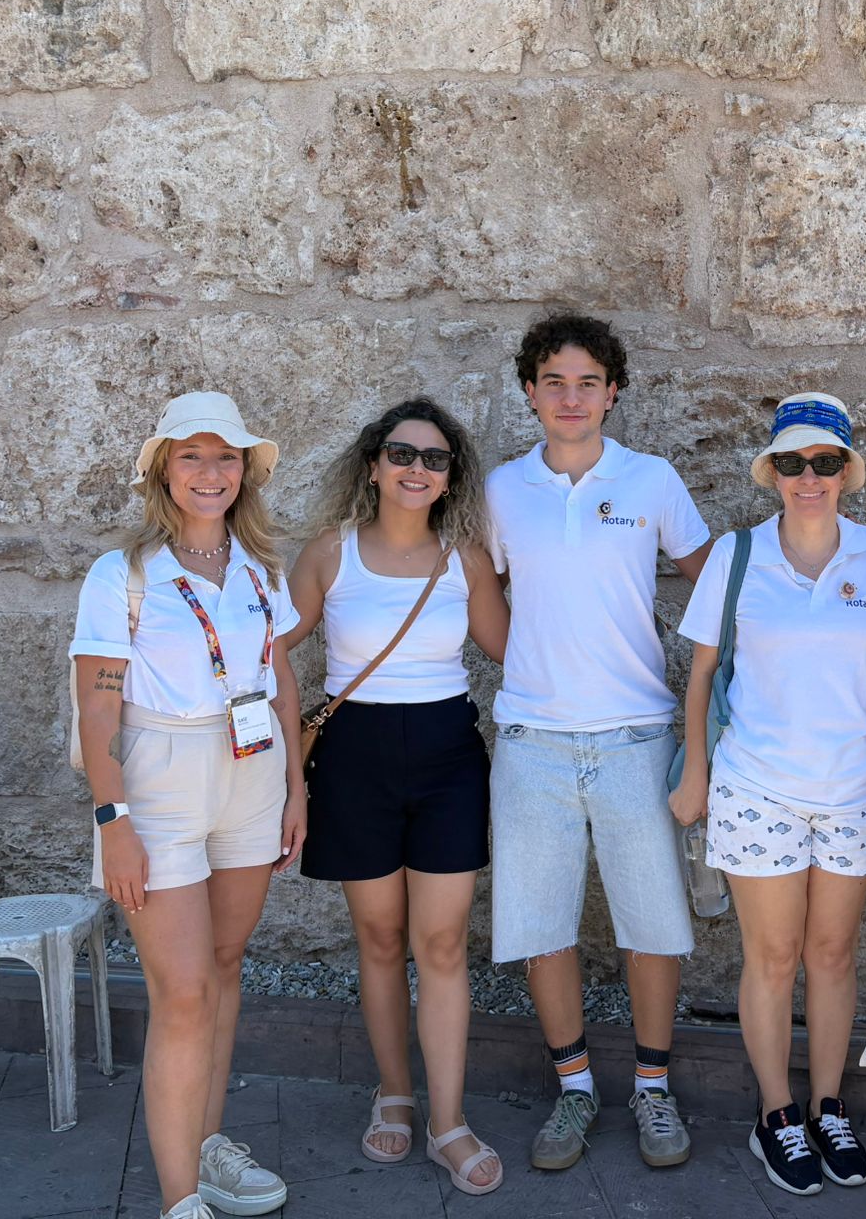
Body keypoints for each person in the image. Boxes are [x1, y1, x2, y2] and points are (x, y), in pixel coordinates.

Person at [484, 313, 713, 1173]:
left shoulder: (651, 480)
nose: (571, 397)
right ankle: (574, 1088)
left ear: (613, 393)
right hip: (532, 740)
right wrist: (530, 661)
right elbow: (484, 591)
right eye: (554, 382)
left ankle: (652, 1088)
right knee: (541, 924)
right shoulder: (502, 490)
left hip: (635, 737)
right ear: (530, 392)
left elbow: (713, 584)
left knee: (652, 923)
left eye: (588, 382)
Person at [69, 392, 304, 1219]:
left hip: (252, 772)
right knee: (182, 991)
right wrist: (113, 822)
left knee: (225, 968)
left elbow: (280, 681)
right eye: (192, 456)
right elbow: (98, 705)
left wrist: (296, 788)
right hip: (160, 777)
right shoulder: (122, 574)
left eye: (226, 456)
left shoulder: (262, 568)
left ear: (245, 471)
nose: (211, 472)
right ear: (163, 471)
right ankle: (179, 1203)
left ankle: (206, 1150)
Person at [285, 398, 509, 1193]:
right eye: (402, 454)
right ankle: (394, 1094)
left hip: (448, 757)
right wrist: (288, 778)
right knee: (380, 940)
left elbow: (512, 648)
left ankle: (449, 1121)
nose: (418, 469)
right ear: (374, 464)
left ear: (451, 478)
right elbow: (271, 651)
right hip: (354, 757)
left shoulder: (465, 559)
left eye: (435, 459)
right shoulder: (328, 554)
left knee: (441, 945)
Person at [668, 393, 866, 1196]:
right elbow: (700, 675)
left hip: (853, 789)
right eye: (792, 462)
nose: (809, 477)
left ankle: (828, 1106)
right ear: (772, 472)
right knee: (771, 956)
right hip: (756, 785)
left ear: (846, 472)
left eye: (825, 462)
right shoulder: (737, 557)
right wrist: (695, 773)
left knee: (831, 956)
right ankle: (776, 1115)